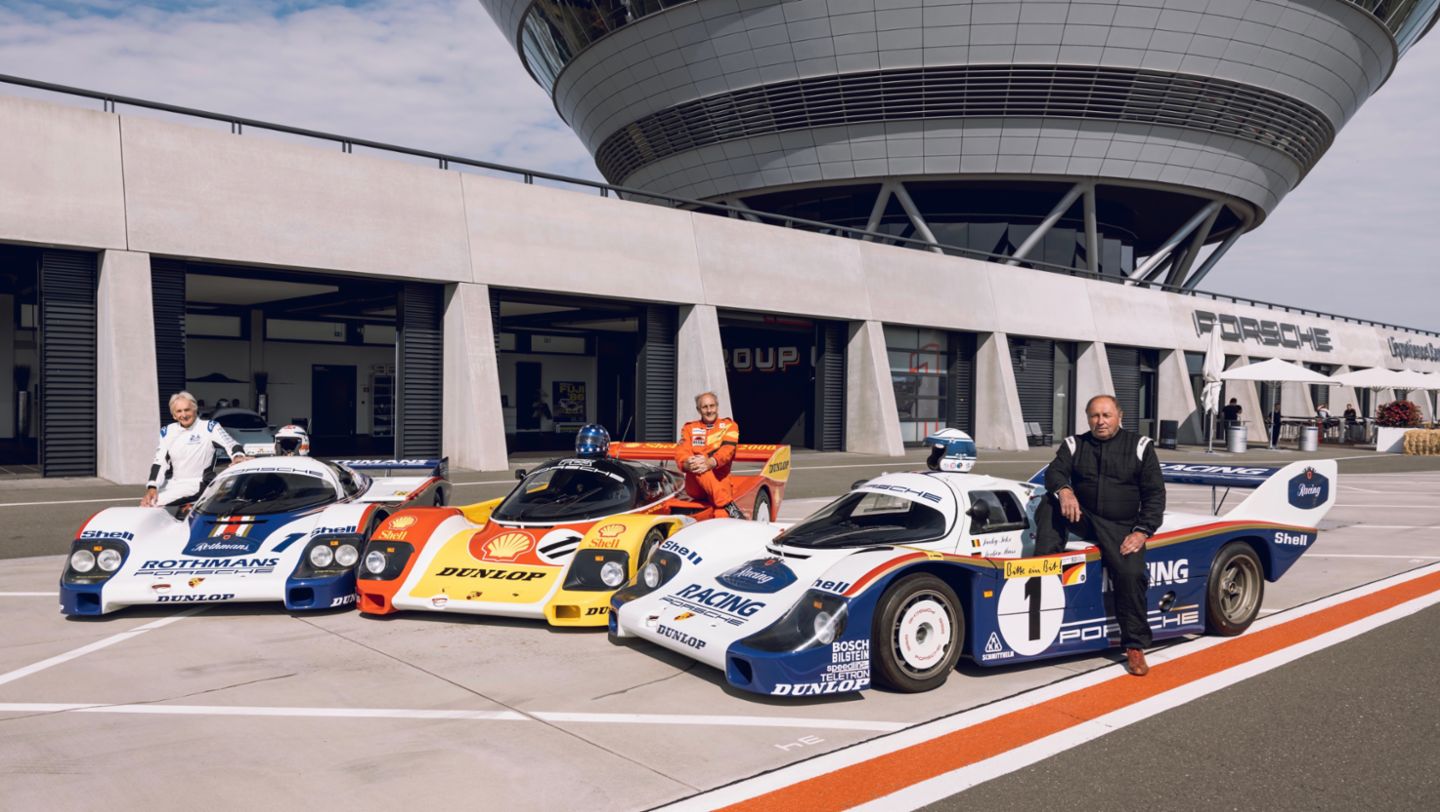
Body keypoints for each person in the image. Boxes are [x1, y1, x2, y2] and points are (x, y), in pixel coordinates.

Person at [1034, 395, 1166, 676]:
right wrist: (1065, 490)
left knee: (1130, 574)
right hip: (1084, 517)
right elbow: (1055, 472)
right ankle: (1044, 567)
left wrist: (1143, 531)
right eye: (1094, 416)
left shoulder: (1140, 447)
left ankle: (1134, 646)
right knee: (1050, 502)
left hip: (1122, 526)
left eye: (1106, 415)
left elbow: (1155, 495)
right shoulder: (1075, 444)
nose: (1100, 421)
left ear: (1119, 416)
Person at [141, 391, 249, 510]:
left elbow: (232, 444)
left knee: (152, 505)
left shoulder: (209, 427)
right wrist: (152, 486)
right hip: (173, 482)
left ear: (195, 410)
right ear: (174, 416)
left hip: (198, 483)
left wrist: (238, 456)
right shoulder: (167, 432)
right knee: (147, 502)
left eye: (187, 410)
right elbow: (159, 462)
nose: (184, 414)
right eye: (179, 411)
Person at [674, 391, 742, 519]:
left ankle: (723, 505)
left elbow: (728, 450)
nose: (709, 410)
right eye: (705, 407)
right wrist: (686, 464)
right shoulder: (689, 428)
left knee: (721, 516)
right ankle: (727, 503)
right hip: (696, 486)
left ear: (717, 406)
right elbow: (682, 451)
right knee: (697, 463)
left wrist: (710, 462)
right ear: (698, 410)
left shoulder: (729, 425)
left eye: (712, 406)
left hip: (720, 481)